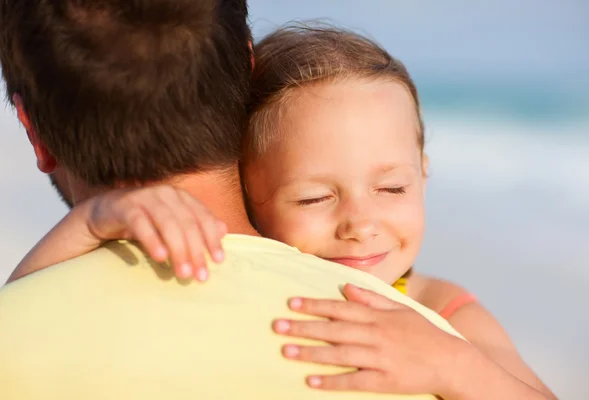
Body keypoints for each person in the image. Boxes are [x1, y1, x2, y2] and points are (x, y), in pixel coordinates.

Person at [4, 15, 556, 400]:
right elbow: (30, 296)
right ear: (248, 185)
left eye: (393, 189)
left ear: (425, 173)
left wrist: (452, 364)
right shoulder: (252, 260)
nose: (362, 226)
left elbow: (25, 309)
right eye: (315, 197)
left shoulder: (445, 311)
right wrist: (88, 224)